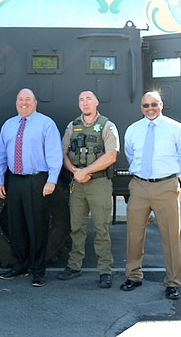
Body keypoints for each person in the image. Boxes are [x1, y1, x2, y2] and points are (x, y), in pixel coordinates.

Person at [121, 91, 181, 300]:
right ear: (141, 108)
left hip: (166, 187)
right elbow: (130, 154)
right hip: (139, 186)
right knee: (134, 234)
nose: (150, 108)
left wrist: (171, 175)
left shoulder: (176, 129)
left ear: (161, 105)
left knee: (170, 236)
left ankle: (173, 282)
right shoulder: (133, 130)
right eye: (146, 105)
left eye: (154, 104)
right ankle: (133, 276)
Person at [0, 88, 63, 287]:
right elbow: (1, 156)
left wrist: (52, 180)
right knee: (16, 225)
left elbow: (54, 154)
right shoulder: (8, 125)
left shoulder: (46, 124)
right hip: (14, 180)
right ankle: (20, 266)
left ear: (35, 103)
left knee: (37, 226)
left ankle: (38, 271)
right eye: (20, 100)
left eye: (28, 100)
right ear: (16, 102)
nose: (24, 103)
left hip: (37, 180)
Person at [56, 91, 119, 289]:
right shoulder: (72, 126)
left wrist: (86, 171)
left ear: (96, 102)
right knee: (76, 226)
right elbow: (63, 152)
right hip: (78, 183)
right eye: (81, 100)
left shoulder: (108, 126)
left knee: (101, 228)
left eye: (88, 99)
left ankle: (105, 271)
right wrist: (75, 171)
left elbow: (111, 156)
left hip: (98, 183)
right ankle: (74, 266)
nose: (85, 103)